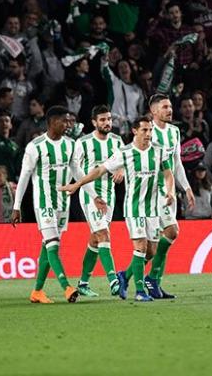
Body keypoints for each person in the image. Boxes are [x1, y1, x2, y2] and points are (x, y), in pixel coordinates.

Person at [62, 115, 175, 302]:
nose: (148, 134)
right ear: (135, 131)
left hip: (153, 208)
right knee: (140, 247)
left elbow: (168, 174)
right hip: (133, 208)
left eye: (150, 130)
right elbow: (99, 170)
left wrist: (170, 191)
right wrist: (78, 184)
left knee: (151, 251)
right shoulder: (125, 152)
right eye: (144, 130)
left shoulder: (160, 151)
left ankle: (124, 276)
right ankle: (140, 291)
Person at [12, 106, 91, 304]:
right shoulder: (35, 146)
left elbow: (77, 171)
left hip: (62, 203)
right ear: (52, 122)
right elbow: (24, 177)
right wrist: (16, 206)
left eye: (68, 121)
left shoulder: (71, 144)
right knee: (53, 245)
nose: (67, 125)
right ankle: (67, 287)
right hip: (43, 203)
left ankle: (37, 291)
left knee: (48, 247)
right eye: (63, 121)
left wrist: (93, 194)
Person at [145, 94, 194, 299]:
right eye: (165, 107)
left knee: (162, 241)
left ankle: (151, 280)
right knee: (161, 240)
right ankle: (145, 278)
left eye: (170, 106)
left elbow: (177, 162)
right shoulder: (147, 131)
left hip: (168, 193)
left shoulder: (174, 132)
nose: (169, 110)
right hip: (150, 192)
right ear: (154, 111)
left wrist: (187, 188)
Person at [74, 106, 124, 297]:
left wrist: (122, 170)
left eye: (109, 119)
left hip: (109, 195)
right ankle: (113, 280)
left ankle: (83, 283)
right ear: (94, 122)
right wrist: (88, 192)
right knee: (103, 234)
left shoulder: (117, 141)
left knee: (95, 240)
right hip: (90, 195)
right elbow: (75, 168)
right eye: (102, 120)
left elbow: (127, 162)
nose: (107, 123)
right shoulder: (83, 142)